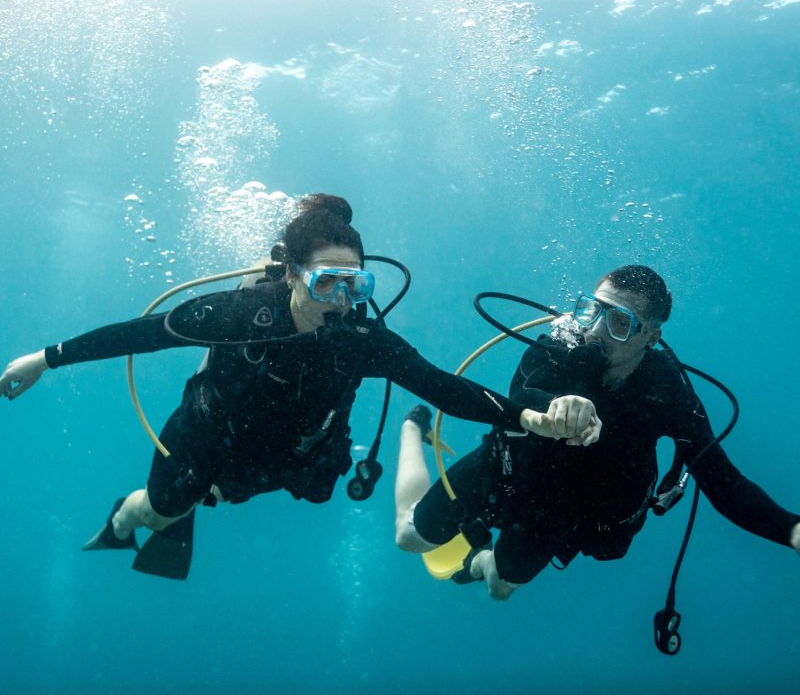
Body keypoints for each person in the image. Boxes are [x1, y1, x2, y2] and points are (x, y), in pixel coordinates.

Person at [0, 194, 600, 580]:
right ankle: (124, 522)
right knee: (161, 510)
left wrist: (529, 418)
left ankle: (203, 501)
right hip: (212, 438)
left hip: (296, 454)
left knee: (308, 489)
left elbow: (444, 388)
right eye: (326, 284)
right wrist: (45, 358)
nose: (341, 302)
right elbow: (147, 333)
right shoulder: (242, 314)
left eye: (355, 287)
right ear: (291, 273)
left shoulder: (362, 340)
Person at [395, 265, 800, 602]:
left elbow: (722, 482)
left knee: (500, 587)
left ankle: (480, 562)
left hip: (559, 507)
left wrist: (792, 530)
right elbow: (525, 394)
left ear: (651, 336)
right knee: (409, 539)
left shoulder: (665, 391)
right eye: (593, 310)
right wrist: (560, 404)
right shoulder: (557, 345)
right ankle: (413, 429)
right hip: (506, 470)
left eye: (620, 322)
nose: (596, 330)